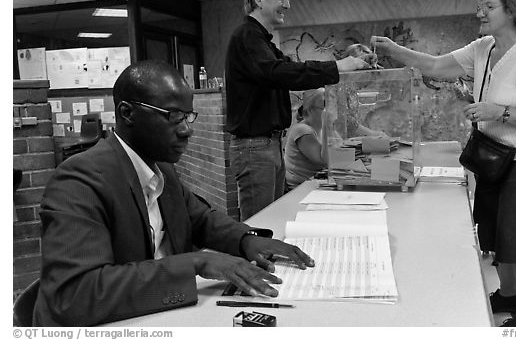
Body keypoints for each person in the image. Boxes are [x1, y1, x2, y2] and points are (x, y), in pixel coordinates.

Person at [33, 60, 315, 327]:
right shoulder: (79, 181)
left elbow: (201, 219)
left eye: (188, 116)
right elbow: (75, 296)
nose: (186, 130)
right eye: (173, 116)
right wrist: (197, 262)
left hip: (163, 314)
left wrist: (245, 241)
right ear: (127, 113)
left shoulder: (161, 169)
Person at [371, 0, 516, 327]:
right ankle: (508, 294)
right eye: (481, 6)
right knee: (498, 232)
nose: (480, 13)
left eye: (489, 7)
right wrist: (393, 50)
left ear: (513, 10)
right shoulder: (484, 47)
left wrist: (500, 111)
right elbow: (434, 65)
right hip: (494, 160)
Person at [225, 0, 369, 221]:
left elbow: (293, 70)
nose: (287, 4)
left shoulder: (264, 42)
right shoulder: (246, 36)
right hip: (254, 147)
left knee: (271, 220)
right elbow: (279, 72)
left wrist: (345, 64)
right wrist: (337, 67)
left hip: (267, 145)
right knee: (260, 225)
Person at [284, 88, 331, 190]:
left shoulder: (320, 129)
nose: (330, 110)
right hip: (299, 189)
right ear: (310, 110)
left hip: (316, 183)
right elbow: (324, 159)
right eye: (324, 105)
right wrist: (328, 126)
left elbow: (340, 148)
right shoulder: (302, 130)